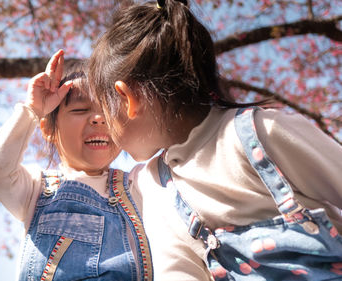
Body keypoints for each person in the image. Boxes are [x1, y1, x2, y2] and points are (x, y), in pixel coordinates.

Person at [87, 0, 342, 280]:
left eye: (104, 109)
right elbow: (180, 273)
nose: (103, 125)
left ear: (127, 99)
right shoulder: (155, 185)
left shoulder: (259, 132)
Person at [0, 50, 153, 281]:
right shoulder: (36, 188)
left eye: (108, 112)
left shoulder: (138, 184)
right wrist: (32, 111)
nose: (98, 119)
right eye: (80, 110)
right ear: (48, 129)